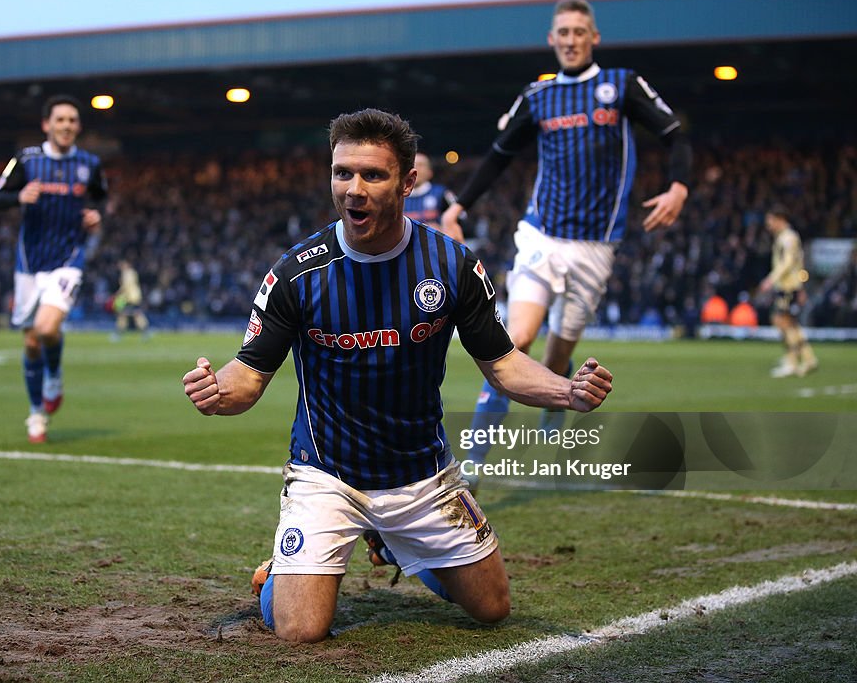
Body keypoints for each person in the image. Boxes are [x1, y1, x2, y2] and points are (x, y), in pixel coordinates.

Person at [182, 109, 613, 643]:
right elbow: (247, 376)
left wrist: (565, 390)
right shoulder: (297, 273)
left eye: (372, 175)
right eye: (342, 173)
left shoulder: (453, 266)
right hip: (328, 475)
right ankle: (280, 575)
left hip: (422, 476)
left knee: (492, 608)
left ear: (408, 181)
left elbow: (502, 364)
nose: (353, 190)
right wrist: (216, 391)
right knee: (301, 629)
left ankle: (395, 542)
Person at [440, 0, 690, 487]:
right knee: (514, 344)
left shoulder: (621, 85)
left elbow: (675, 135)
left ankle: (560, 380)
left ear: (593, 38)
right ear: (551, 40)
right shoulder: (538, 96)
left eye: (580, 31)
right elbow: (498, 155)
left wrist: (679, 186)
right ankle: (473, 465)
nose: (571, 40)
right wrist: (458, 206)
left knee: (553, 363)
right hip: (540, 236)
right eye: (563, 33)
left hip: (594, 247)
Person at [0, 94, 108, 443]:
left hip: (68, 259)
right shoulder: (26, 160)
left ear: (78, 126)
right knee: (30, 342)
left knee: (45, 327)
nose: (67, 126)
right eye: (60, 120)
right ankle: (36, 414)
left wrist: (95, 215)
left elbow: (100, 198)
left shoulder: (90, 164)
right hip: (29, 264)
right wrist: (18, 196)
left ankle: (53, 375)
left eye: (72, 120)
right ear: (47, 125)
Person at [758, 206, 817, 377]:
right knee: (789, 323)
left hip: (788, 286)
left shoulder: (788, 238)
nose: (768, 225)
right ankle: (807, 358)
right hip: (788, 285)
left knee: (782, 320)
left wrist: (771, 279)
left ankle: (792, 360)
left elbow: (788, 262)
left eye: (770, 220)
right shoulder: (786, 237)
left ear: (780, 219)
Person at [403, 152, 464, 239]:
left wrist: (443, 230)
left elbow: (461, 218)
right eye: (412, 165)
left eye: (421, 165)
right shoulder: (398, 196)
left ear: (430, 172)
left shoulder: (442, 193)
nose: (416, 168)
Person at [111, 259, 150, 341]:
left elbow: (126, 286)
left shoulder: (126, 273)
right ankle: (145, 332)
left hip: (130, 297)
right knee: (136, 315)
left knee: (124, 314)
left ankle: (118, 334)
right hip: (135, 296)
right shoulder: (132, 272)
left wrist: (118, 294)